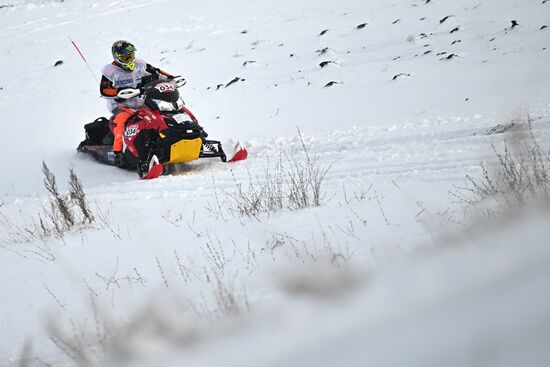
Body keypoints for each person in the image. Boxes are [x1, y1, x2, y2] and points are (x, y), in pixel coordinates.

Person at [99, 40, 185, 165]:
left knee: (167, 113)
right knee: (121, 122)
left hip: (143, 103)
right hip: (122, 106)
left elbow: (157, 72)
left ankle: (186, 137)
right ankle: (118, 154)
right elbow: (104, 90)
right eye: (126, 57)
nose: (130, 60)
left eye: (131, 56)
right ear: (117, 57)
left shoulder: (141, 64)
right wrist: (118, 92)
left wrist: (170, 79)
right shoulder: (110, 72)